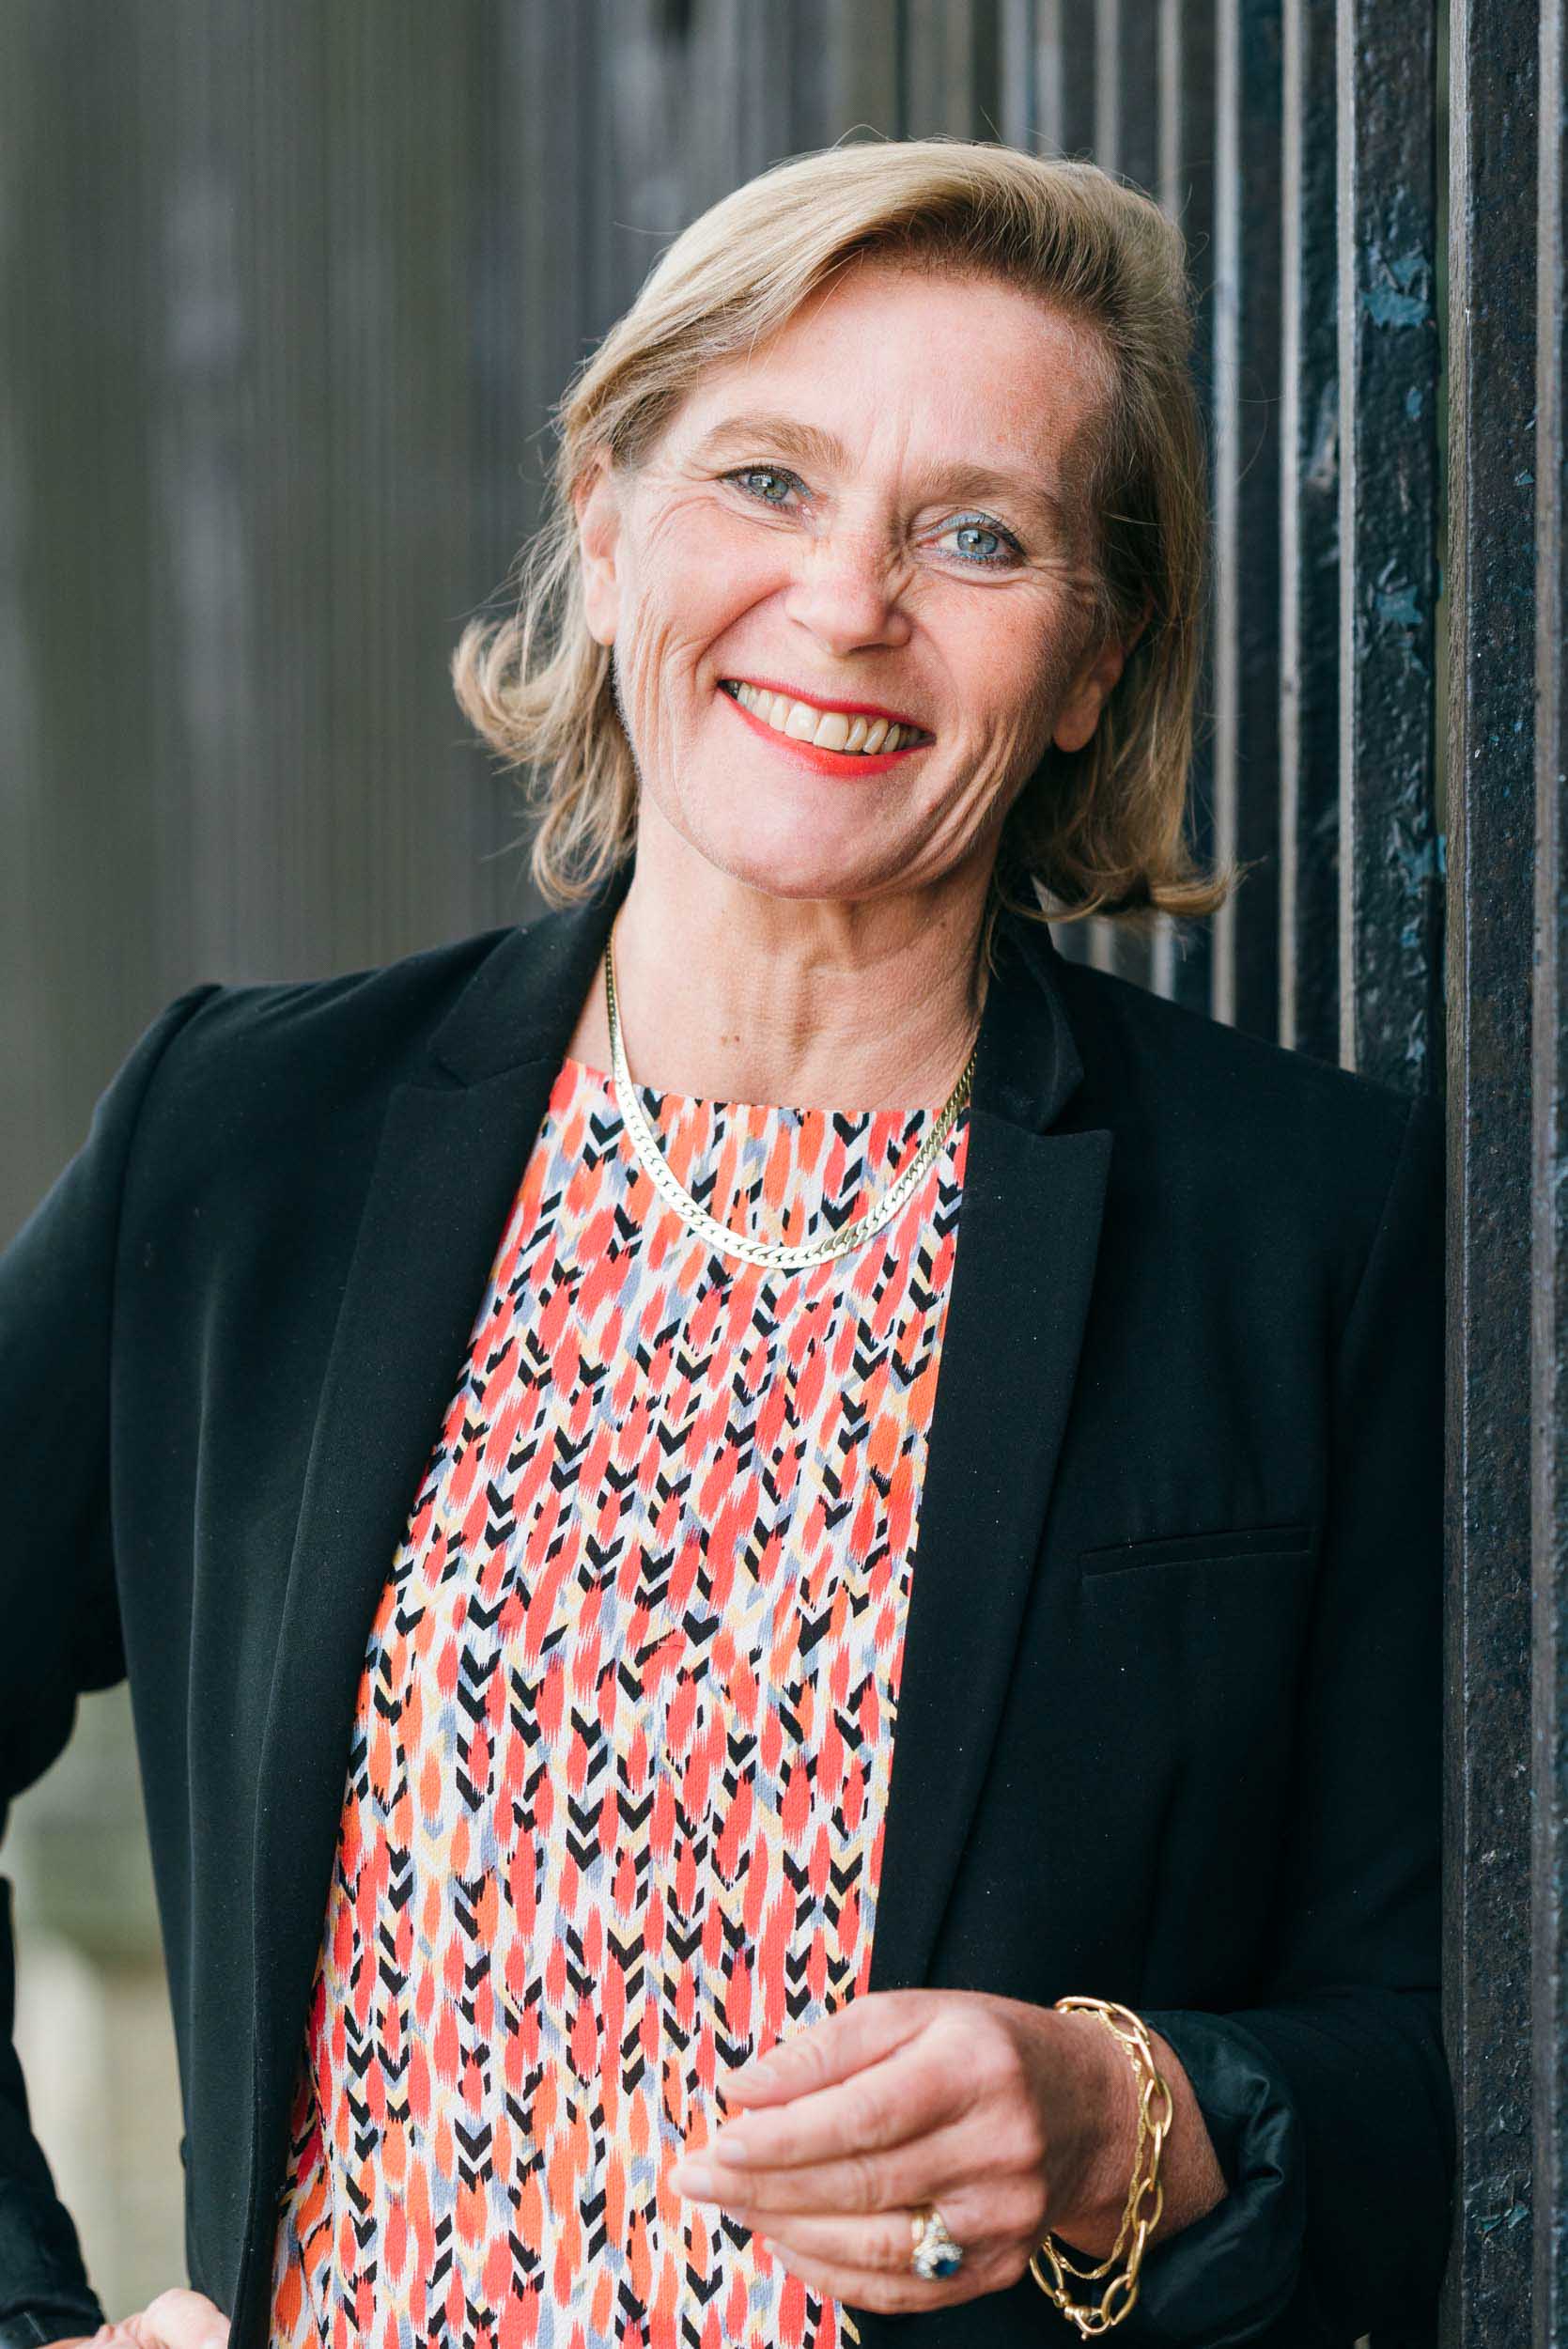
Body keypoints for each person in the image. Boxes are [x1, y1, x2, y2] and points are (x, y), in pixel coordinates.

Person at [0, 136, 1451, 2349]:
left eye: (978, 534)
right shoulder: (247, 1136)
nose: (849, 600)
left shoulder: (1313, 1226)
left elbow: (1448, 2056)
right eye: (765, 481)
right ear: (605, 521)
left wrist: (1122, 2106)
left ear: (1088, 662)